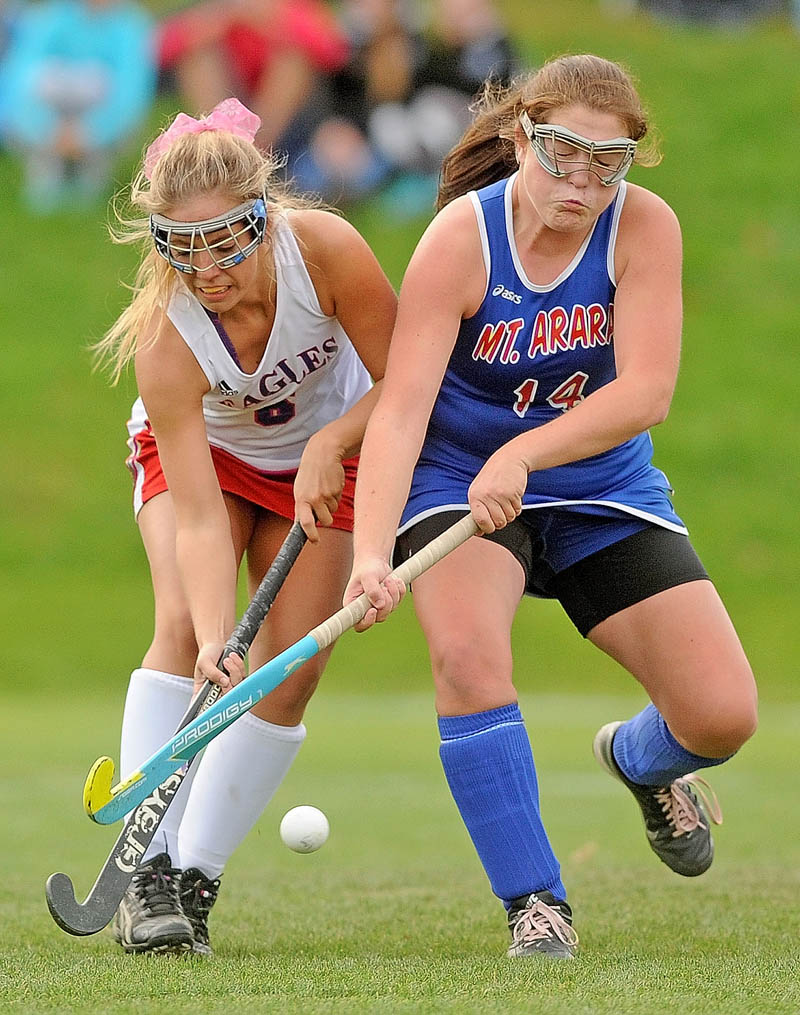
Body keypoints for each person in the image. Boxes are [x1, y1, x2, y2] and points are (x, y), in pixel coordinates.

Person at [343, 54, 758, 960]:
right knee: (466, 657)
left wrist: (524, 453)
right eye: (564, 153)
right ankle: (538, 904)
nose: (583, 183)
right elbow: (405, 406)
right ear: (523, 137)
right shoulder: (461, 238)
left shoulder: (643, 229)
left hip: (601, 484)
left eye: (608, 163)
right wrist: (371, 553)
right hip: (456, 478)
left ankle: (641, 763)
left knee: (723, 714)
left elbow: (646, 392)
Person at [92, 96, 396, 956]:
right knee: (188, 624)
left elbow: (408, 379)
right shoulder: (167, 335)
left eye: (225, 240)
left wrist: (334, 439)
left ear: (264, 216)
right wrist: (217, 641)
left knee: (287, 675)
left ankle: (195, 878)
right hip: (212, 470)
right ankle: (144, 874)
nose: (206, 268)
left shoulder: (326, 250)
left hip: (334, 457)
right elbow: (193, 516)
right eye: (180, 248)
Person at [0, 0, 155, 211]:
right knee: (45, 79)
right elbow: (22, 79)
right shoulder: (49, 18)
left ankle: (91, 173)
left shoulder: (130, 25)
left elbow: (131, 91)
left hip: (104, 123)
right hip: (48, 120)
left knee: (98, 81)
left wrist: (90, 133)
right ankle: (47, 171)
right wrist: (46, 129)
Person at [155, 0, 349, 157]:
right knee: (198, 56)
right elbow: (159, 49)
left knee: (292, 61)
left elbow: (333, 52)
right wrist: (218, 19)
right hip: (228, 101)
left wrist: (270, 18)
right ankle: (222, 146)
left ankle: (249, 155)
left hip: (290, 122)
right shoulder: (214, 10)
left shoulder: (294, 9)